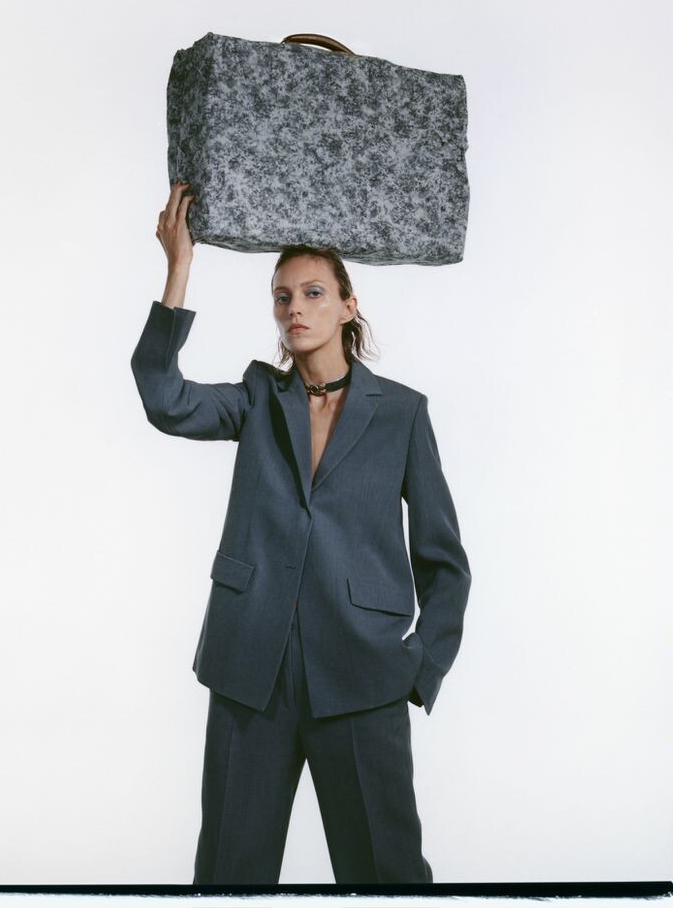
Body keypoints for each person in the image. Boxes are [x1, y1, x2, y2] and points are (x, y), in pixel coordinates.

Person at [131, 180, 472, 885]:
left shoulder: (402, 413)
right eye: (282, 296)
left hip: (362, 675)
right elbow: (164, 398)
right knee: (228, 874)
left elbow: (444, 561)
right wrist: (179, 268)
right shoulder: (258, 397)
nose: (295, 308)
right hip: (250, 670)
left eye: (314, 293)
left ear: (349, 305)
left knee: (385, 875)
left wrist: (420, 667)